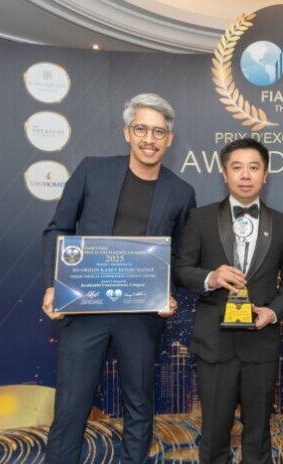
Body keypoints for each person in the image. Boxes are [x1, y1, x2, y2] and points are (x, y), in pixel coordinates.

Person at [41, 93, 196, 464]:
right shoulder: (92, 170)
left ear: (169, 139)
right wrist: (52, 284)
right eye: (141, 128)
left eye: (158, 131)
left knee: (139, 405)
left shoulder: (181, 192)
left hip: (141, 315)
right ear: (127, 132)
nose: (149, 139)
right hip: (85, 308)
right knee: (71, 405)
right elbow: (58, 228)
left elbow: (180, 255)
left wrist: (168, 292)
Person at [174, 138, 283, 464]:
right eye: (237, 167)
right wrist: (211, 278)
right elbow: (182, 270)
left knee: (258, 436)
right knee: (214, 434)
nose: (246, 175)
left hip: (261, 343)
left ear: (265, 175)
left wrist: (273, 312)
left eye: (254, 167)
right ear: (224, 173)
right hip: (214, 344)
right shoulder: (200, 218)